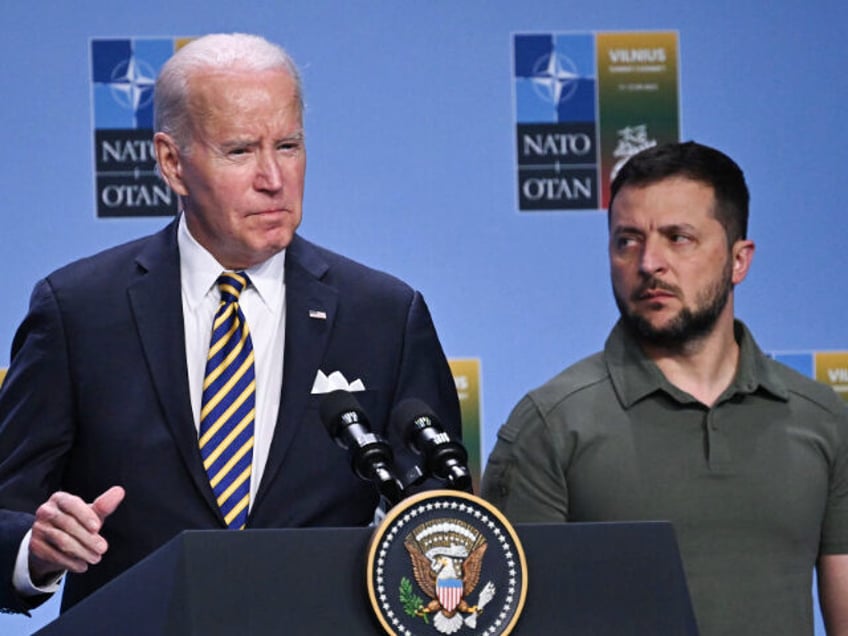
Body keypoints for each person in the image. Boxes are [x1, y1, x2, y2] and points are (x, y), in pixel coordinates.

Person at [0, 33, 460, 614]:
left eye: (288, 145)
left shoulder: (386, 317)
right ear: (172, 162)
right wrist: (35, 551)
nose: (273, 178)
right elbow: (6, 509)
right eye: (240, 151)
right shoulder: (80, 312)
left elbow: (442, 522)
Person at [481, 141, 848, 635]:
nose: (649, 262)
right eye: (627, 241)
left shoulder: (823, 419)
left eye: (678, 238)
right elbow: (509, 620)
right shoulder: (549, 424)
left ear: (739, 260)